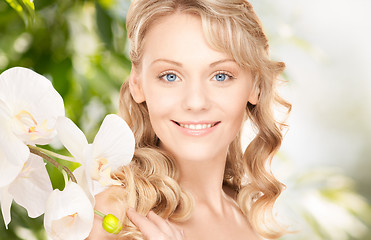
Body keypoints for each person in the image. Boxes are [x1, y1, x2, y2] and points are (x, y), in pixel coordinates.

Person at [88, 0, 291, 239]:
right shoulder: (111, 215)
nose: (195, 102)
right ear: (137, 83)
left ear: (256, 86)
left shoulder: (249, 219)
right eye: (171, 76)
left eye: (221, 75)